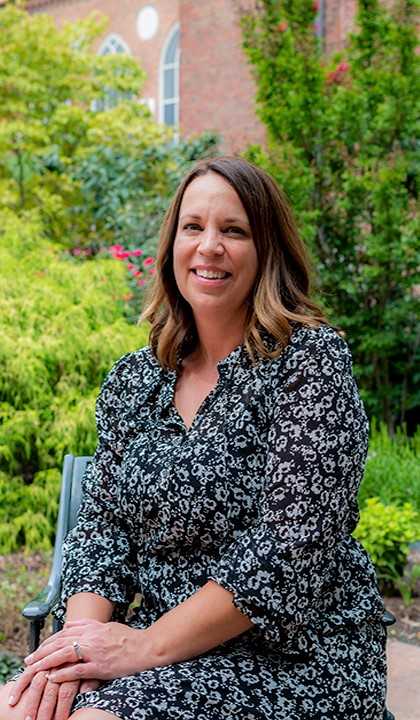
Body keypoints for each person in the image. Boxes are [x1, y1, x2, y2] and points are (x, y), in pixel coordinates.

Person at [2, 156, 387, 720]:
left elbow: (287, 551)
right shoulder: (136, 378)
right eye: (194, 227)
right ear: (172, 246)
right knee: (17, 708)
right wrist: (78, 646)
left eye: (234, 230)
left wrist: (139, 647)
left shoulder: (309, 365)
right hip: (160, 654)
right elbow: (102, 530)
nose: (210, 246)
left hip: (295, 658)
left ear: (267, 252)